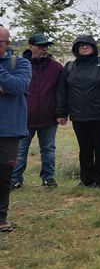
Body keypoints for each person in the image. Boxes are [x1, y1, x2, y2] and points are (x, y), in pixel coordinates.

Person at [56, 35, 100, 188]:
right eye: (80, 45)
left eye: (87, 45)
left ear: (94, 47)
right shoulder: (70, 67)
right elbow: (61, 91)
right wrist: (61, 112)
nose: (84, 47)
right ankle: (86, 180)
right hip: (78, 115)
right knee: (84, 148)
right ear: (76, 48)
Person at [11, 34, 64, 189]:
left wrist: (61, 113)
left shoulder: (56, 68)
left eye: (46, 46)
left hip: (48, 116)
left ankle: (48, 178)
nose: (44, 49)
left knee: (48, 150)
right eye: (41, 46)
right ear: (31, 46)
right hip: (24, 117)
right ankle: (15, 178)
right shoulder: (19, 65)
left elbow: (60, 92)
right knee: (20, 151)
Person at [0, 26, 32, 232]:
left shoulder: (20, 63)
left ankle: (1, 217)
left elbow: (19, 86)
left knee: (3, 175)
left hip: (9, 129)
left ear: (7, 43)